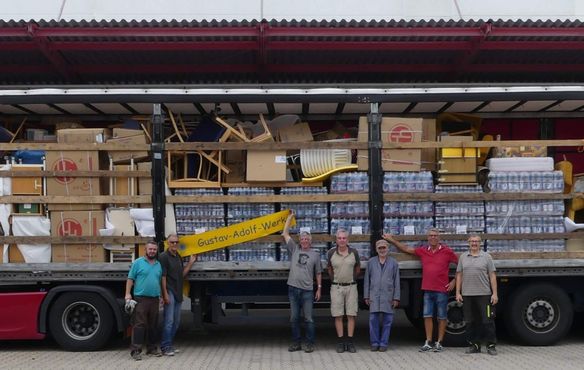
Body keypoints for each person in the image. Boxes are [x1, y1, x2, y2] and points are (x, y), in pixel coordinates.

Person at [383, 228, 458, 352]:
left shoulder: (447, 251)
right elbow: (407, 249)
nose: (433, 237)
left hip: (442, 290)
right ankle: (428, 342)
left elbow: (461, 264)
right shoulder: (423, 251)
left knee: (442, 317)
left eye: (435, 235)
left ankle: (439, 343)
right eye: (430, 236)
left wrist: (454, 281)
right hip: (428, 289)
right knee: (427, 316)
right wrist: (392, 240)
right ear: (428, 238)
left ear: (439, 238)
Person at [282, 213, 322, 353]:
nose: (304, 241)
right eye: (302, 239)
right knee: (294, 318)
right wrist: (289, 218)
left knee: (309, 318)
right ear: (300, 240)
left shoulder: (315, 255)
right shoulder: (294, 249)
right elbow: (285, 233)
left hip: (307, 291)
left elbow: (318, 273)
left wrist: (319, 288)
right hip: (293, 289)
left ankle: (310, 343)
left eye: (307, 239)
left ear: (310, 241)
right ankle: (296, 343)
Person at [455, 234, 498, 356]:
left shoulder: (487, 257)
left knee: (487, 321)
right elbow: (459, 275)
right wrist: (458, 292)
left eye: (476, 241)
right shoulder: (463, 257)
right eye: (472, 241)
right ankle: (474, 345)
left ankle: (491, 345)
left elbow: (492, 276)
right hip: (467, 295)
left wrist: (495, 294)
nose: (474, 243)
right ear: (468, 243)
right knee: (470, 322)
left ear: (480, 243)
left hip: (484, 295)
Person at [125, 240, 163, 361]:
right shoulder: (138, 263)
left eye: (154, 249)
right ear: (145, 250)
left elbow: (159, 281)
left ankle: (151, 349)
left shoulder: (158, 264)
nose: (152, 251)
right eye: (150, 249)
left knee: (153, 325)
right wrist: (127, 294)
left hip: (155, 299)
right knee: (140, 325)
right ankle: (135, 350)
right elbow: (130, 279)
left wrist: (161, 296)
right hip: (141, 299)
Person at [159, 234, 197, 356]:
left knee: (176, 321)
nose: (174, 244)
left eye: (176, 242)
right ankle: (165, 347)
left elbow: (181, 275)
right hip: (169, 291)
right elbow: (162, 277)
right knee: (169, 320)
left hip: (178, 291)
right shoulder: (163, 257)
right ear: (167, 243)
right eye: (172, 242)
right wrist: (164, 294)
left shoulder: (178, 256)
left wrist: (190, 263)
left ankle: (169, 344)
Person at [327, 228, 361, 353]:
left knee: (351, 314)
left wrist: (352, 279)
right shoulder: (331, 253)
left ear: (348, 239)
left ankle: (350, 342)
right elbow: (329, 269)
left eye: (344, 238)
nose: (342, 240)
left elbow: (358, 268)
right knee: (338, 315)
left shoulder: (354, 252)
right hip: (336, 287)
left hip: (351, 286)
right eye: (339, 238)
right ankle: (341, 342)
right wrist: (335, 280)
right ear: (336, 240)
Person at [364, 239, 400, 352]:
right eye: (380, 248)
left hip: (388, 295)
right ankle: (374, 343)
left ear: (388, 249)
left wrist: (396, 297)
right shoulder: (371, 262)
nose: (382, 250)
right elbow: (366, 281)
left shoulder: (394, 263)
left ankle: (383, 343)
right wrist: (366, 296)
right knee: (373, 320)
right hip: (374, 295)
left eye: (384, 248)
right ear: (376, 249)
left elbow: (397, 281)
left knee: (387, 321)